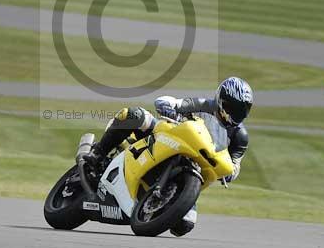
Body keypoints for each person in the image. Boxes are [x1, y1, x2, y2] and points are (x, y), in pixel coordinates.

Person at [85, 77, 253, 237]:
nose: (236, 114)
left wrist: (230, 173)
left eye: (242, 110)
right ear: (221, 100)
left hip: (197, 165)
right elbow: (167, 101)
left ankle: (156, 204)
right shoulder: (203, 105)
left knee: (184, 225)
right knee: (134, 115)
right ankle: (98, 153)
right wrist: (170, 109)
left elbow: (235, 164)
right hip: (168, 137)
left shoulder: (240, 137)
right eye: (233, 108)